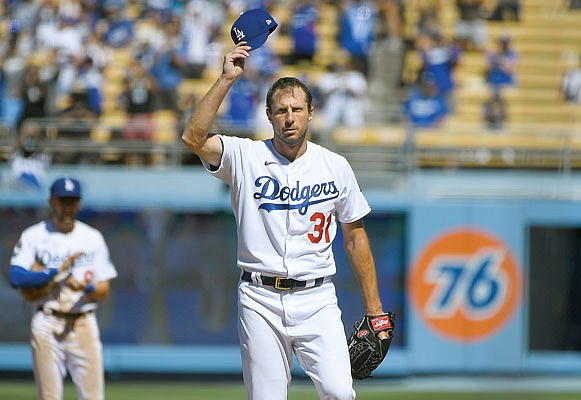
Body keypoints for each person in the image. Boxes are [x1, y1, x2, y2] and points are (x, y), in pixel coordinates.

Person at [181, 41, 388, 400]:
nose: (289, 117)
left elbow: (356, 237)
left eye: (296, 109)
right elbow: (193, 137)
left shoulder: (335, 166)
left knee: (340, 393)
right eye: (280, 110)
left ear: (311, 113)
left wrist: (374, 310)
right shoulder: (245, 156)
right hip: (259, 297)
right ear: (269, 116)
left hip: (318, 297)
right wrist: (226, 79)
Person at [8, 176, 118, 400]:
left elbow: (104, 288)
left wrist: (85, 287)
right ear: (51, 201)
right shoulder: (35, 236)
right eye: (63, 201)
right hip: (47, 321)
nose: (68, 207)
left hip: (83, 321)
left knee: (94, 397)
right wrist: (53, 274)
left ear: (79, 203)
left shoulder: (91, 238)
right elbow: (15, 276)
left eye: (73, 201)